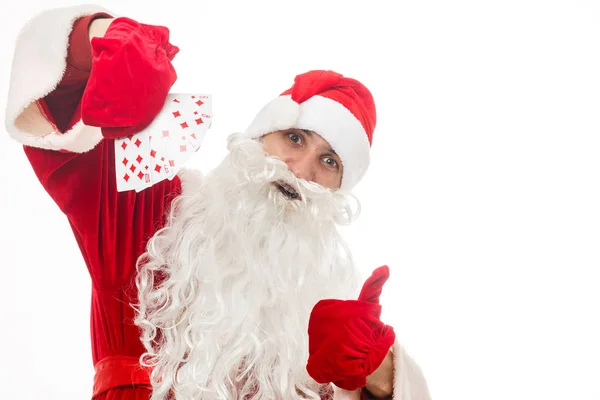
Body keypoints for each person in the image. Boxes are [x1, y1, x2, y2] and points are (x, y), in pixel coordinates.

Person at [5, 4, 431, 400]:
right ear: (256, 138)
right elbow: (54, 113)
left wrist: (381, 373)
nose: (299, 171)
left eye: (328, 161)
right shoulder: (149, 216)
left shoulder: (324, 331)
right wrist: (108, 38)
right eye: (294, 138)